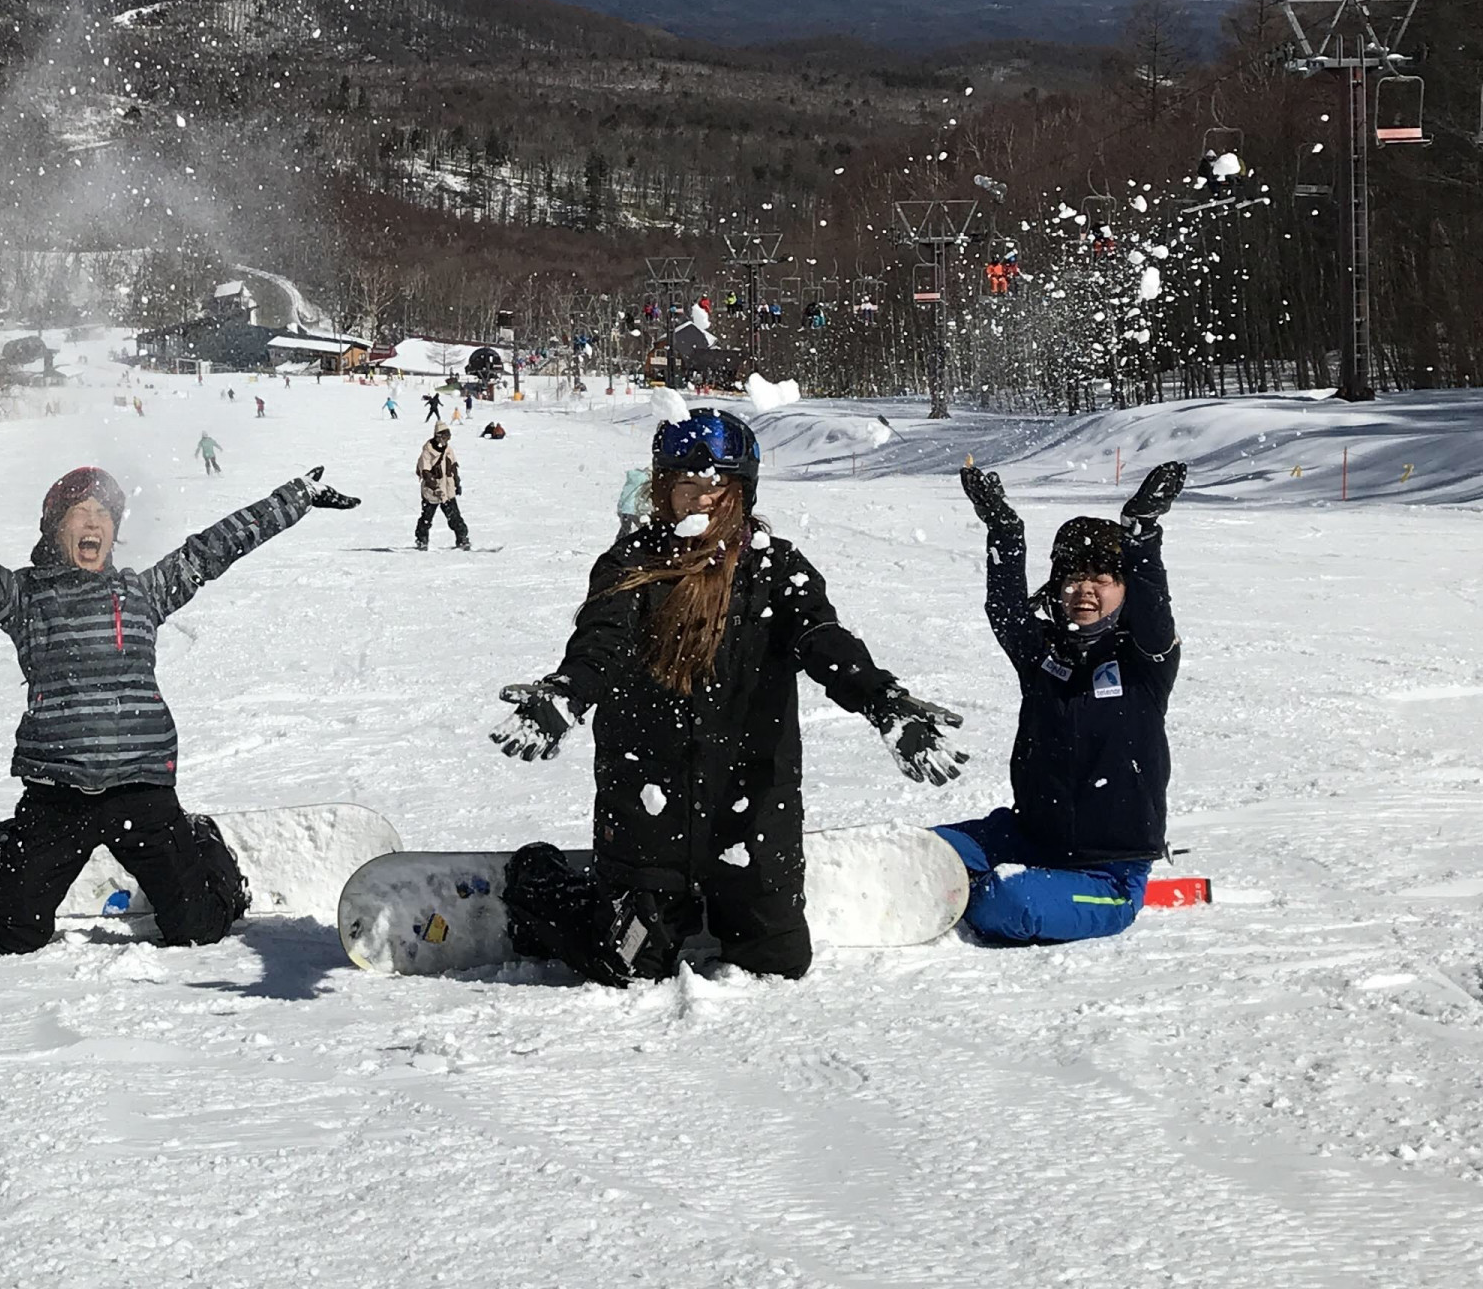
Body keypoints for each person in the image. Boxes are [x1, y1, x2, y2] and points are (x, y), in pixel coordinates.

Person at [0, 436, 361, 954]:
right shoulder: (23, 598)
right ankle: (6, 853)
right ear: (55, 529)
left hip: (142, 790)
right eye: (80, 513)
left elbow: (215, 547)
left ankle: (201, 842)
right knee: (9, 934)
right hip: (58, 794)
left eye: (104, 515)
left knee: (196, 927)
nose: (94, 523)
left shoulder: (142, 592)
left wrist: (295, 498)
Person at [488, 411, 965, 985]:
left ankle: (717, 902)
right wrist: (566, 693)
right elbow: (601, 644)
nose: (699, 498)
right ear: (662, 490)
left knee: (779, 965)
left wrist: (880, 699)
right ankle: (541, 885)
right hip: (648, 804)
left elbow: (822, 639)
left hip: (752, 805)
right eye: (684, 483)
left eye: (715, 485)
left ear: (740, 490)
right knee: (630, 967)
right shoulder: (629, 565)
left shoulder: (776, 568)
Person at [942, 460, 1187, 946]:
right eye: (1073, 576)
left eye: (1103, 577)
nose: (1085, 589)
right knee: (928, 850)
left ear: (1125, 589)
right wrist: (1004, 531)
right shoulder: (1042, 654)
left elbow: (1155, 612)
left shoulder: (1144, 659)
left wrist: (1140, 535)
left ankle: (966, 895)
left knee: (1007, 901)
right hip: (1027, 837)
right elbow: (1006, 609)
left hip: (1106, 872)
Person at [414, 425, 471, 550]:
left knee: (455, 517)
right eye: (445, 437)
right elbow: (426, 472)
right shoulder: (427, 452)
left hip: (448, 489)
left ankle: (462, 539)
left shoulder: (448, 450)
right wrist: (435, 487)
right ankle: (421, 540)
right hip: (432, 491)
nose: (446, 440)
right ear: (438, 436)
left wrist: (457, 482)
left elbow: (453, 467)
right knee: (426, 518)